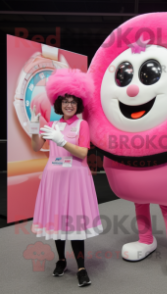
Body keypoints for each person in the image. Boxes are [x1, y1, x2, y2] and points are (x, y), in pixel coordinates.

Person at [30, 86, 103, 287]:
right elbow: (36, 147)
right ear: (59, 104)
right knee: (57, 223)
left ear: (78, 105)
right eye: (65, 101)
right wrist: (34, 130)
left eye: (72, 101)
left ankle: (81, 267)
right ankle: (61, 260)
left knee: (76, 225)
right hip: (54, 179)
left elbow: (81, 153)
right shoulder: (52, 124)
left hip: (76, 179)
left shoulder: (82, 125)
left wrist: (62, 141)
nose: (69, 105)